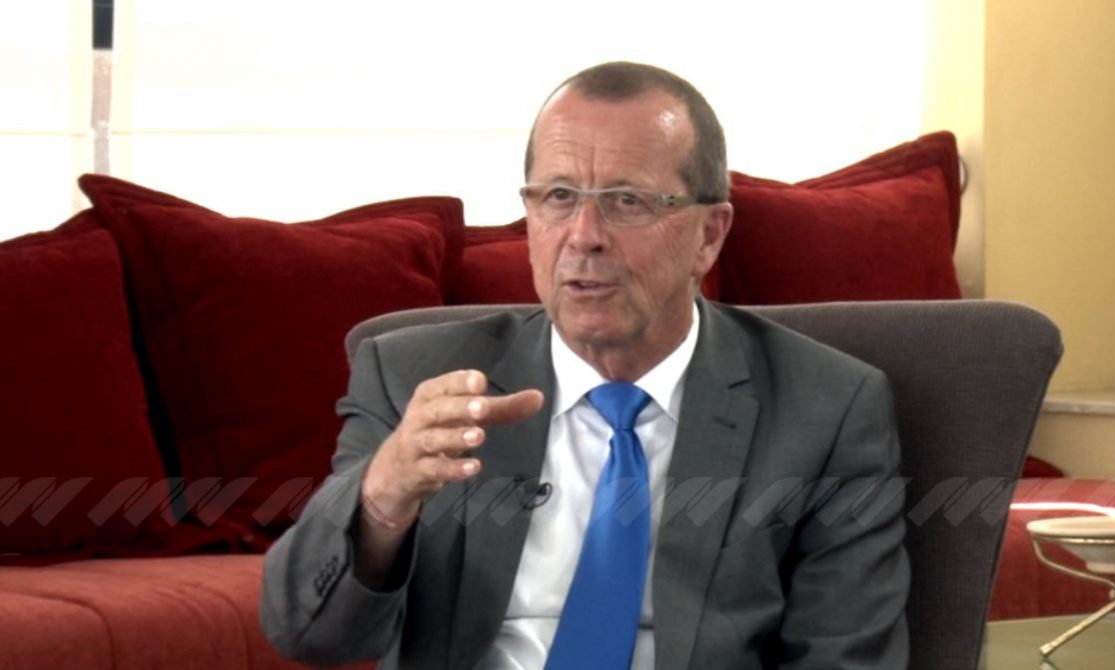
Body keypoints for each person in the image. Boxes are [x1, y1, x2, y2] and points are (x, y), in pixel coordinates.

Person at [261, 61, 909, 669]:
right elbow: (308, 633)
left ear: (709, 235)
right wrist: (383, 495)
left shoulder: (827, 407)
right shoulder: (413, 378)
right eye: (559, 196)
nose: (584, 235)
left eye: (628, 201)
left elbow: (845, 656)